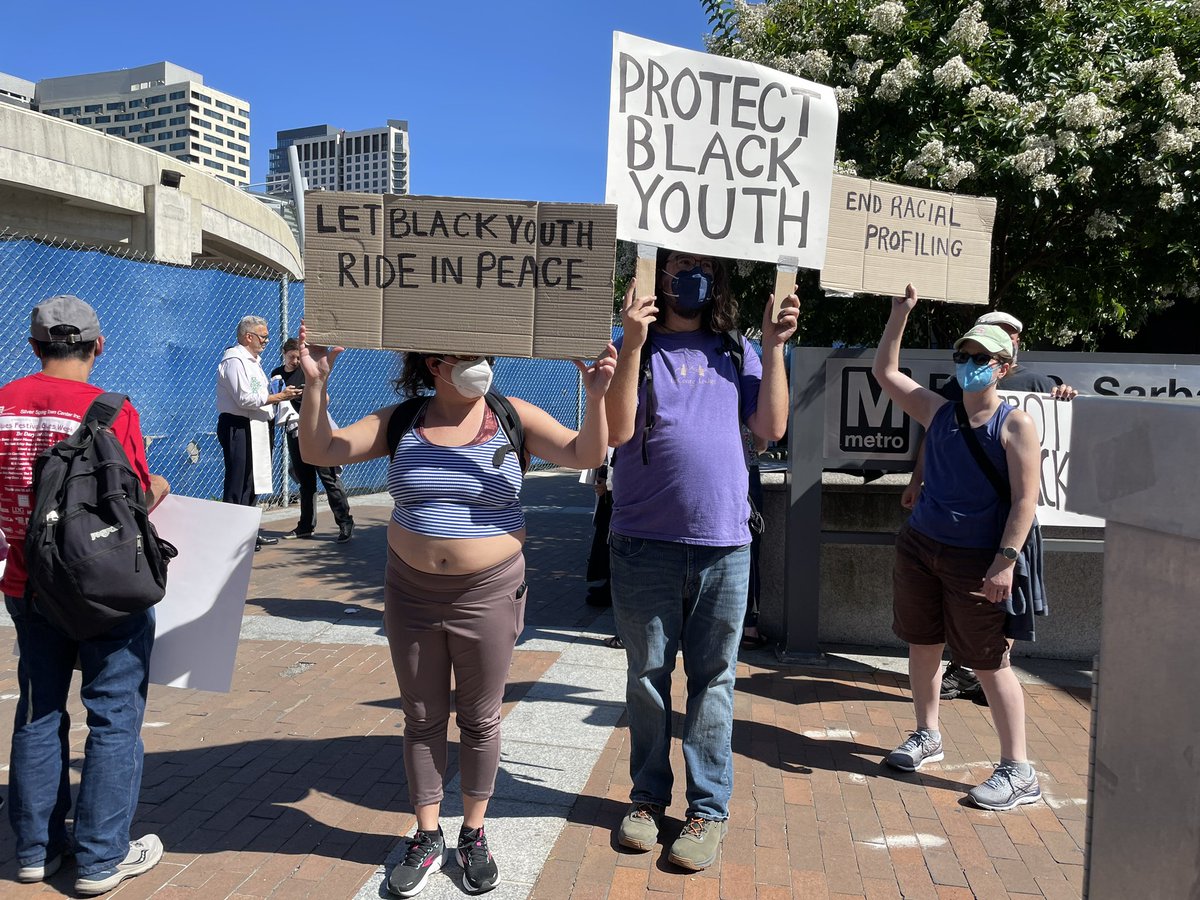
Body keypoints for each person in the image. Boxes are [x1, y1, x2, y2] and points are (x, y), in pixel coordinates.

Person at [296, 324, 615, 898]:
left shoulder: (511, 414)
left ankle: (472, 832)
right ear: (433, 362)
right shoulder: (403, 420)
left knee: (480, 717)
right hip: (411, 593)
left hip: (489, 592)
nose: (478, 365)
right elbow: (322, 450)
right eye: (463, 356)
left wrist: (594, 398)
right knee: (420, 717)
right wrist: (316, 386)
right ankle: (426, 835)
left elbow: (586, 454)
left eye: (484, 354)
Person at [607, 248, 797, 870]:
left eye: (702, 266)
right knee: (648, 678)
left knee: (714, 681)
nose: (688, 276)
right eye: (676, 264)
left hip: (725, 544)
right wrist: (632, 344)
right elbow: (616, 431)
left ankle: (707, 811)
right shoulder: (627, 343)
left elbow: (769, 428)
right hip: (642, 544)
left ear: (716, 279)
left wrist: (772, 348)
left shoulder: (738, 349)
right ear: (652, 274)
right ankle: (645, 800)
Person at [1, 295, 170, 894]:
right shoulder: (114, 410)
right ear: (98, 346)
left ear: (33, 345)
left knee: (38, 712)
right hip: (102, 587)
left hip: (28, 584)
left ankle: (34, 850)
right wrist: (163, 487)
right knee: (114, 717)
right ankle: (101, 858)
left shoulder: (3, 407)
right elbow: (136, 502)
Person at [872, 285, 1044, 811]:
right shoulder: (940, 412)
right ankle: (927, 733)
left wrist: (1004, 563)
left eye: (982, 358)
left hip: (978, 561)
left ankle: (1018, 769)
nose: (970, 365)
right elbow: (886, 373)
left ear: (1004, 366)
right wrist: (899, 315)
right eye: (964, 355)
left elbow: (1025, 502)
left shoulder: (1015, 423)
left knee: (989, 663)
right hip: (922, 548)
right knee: (922, 645)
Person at [901, 310, 1076, 704]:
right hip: (966, 530)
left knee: (999, 616)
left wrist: (1067, 396)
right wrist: (917, 479)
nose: (1003, 337)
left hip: (1009, 525)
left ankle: (985, 676)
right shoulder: (955, 385)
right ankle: (965, 676)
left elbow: (1029, 490)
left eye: (1010, 332)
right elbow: (940, 434)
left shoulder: (1038, 383)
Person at [216, 315, 301, 551]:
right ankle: (233, 536)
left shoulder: (254, 361)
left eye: (267, 336)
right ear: (248, 336)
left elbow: (258, 393)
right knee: (238, 481)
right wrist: (277, 397)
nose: (266, 340)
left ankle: (248, 533)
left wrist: (278, 392)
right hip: (239, 425)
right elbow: (244, 398)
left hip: (258, 424)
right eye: (263, 336)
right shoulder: (234, 360)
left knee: (253, 482)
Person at [270, 338, 355, 543]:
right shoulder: (277, 373)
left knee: (328, 476)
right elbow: (275, 396)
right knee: (305, 481)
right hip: (294, 428)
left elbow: (325, 399)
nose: (296, 362)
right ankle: (305, 526)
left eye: (299, 357)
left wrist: (307, 394)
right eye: (292, 357)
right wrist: (285, 395)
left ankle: (345, 522)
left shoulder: (308, 369)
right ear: (284, 354)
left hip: (316, 427)